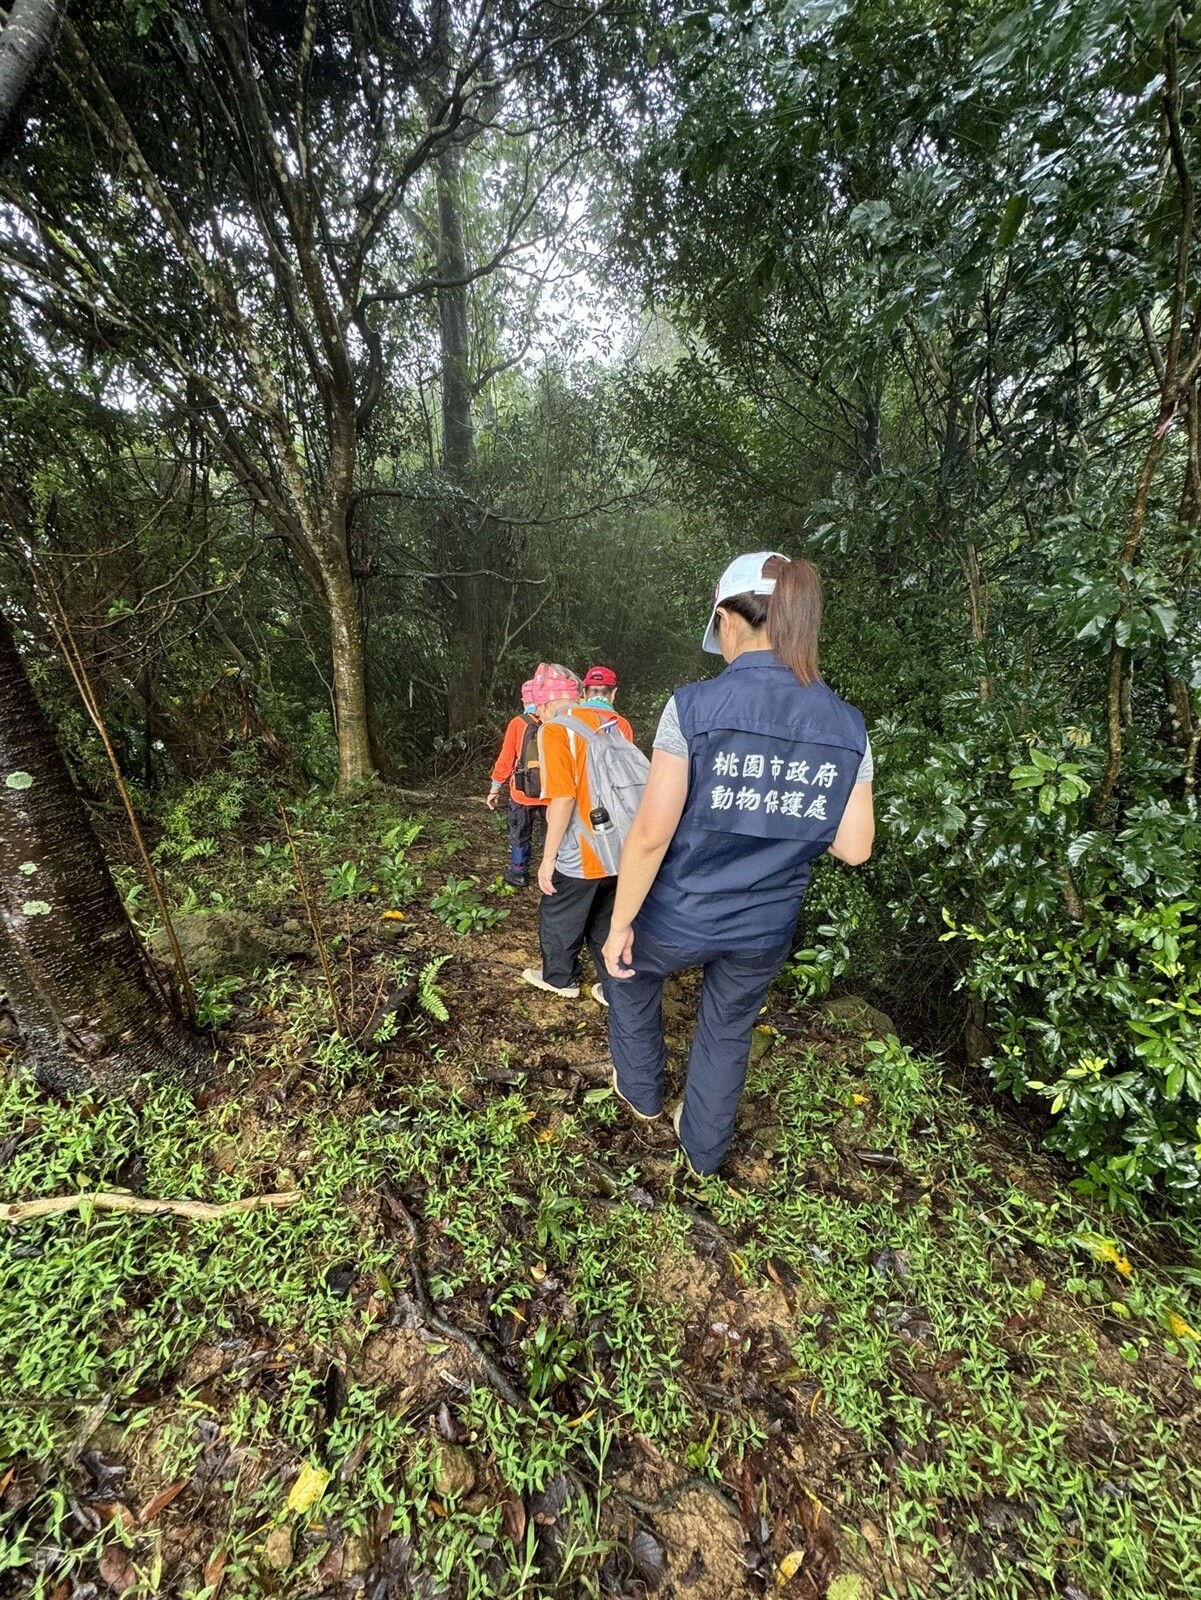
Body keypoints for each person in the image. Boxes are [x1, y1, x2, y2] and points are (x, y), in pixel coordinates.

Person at [602, 553, 875, 1175]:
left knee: (627, 969)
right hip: (765, 926)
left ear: (729, 619)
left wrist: (621, 923)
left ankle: (642, 1092)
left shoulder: (693, 707)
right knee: (727, 1026)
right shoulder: (848, 725)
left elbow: (649, 836)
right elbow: (854, 847)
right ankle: (702, 1151)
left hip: (680, 912)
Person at [520, 661, 636, 1004]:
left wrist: (548, 857)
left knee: (558, 912)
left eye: (538, 708)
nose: (537, 715)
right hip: (621, 845)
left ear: (544, 704)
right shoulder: (610, 721)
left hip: (583, 849)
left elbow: (563, 798)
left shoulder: (555, 730)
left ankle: (560, 978)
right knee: (606, 916)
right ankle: (613, 985)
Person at [486, 680, 547, 888]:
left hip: (522, 791)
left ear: (523, 699)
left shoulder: (518, 723)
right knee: (551, 831)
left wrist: (495, 788)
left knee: (520, 830)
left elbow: (506, 759)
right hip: (550, 791)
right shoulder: (554, 720)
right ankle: (554, 873)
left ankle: (519, 873)